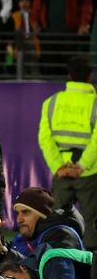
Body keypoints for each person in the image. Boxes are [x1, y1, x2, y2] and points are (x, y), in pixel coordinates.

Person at [38, 55, 97, 250]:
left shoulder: (51, 102)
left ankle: (56, 260)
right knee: (92, 224)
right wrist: (81, 166)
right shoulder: (95, 103)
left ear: (69, 75)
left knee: (57, 222)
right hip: (89, 174)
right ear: (90, 76)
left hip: (62, 172)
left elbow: (44, 139)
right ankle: (91, 272)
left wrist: (58, 166)